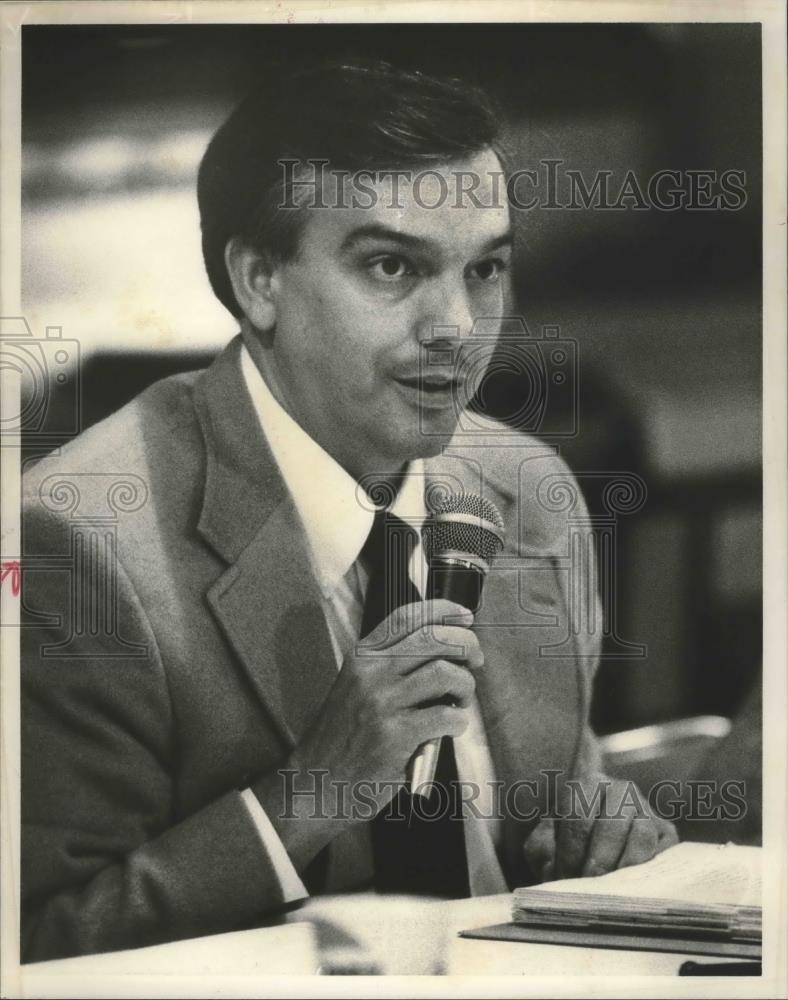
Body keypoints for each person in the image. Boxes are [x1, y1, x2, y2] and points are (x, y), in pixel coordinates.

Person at [20, 60, 676, 963]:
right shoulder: (75, 545)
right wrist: (308, 797)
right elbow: (39, 947)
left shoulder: (533, 492)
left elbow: (564, 808)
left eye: (485, 268)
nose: (456, 325)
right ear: (258, 280)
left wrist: (608, 843)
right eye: (392, 266)